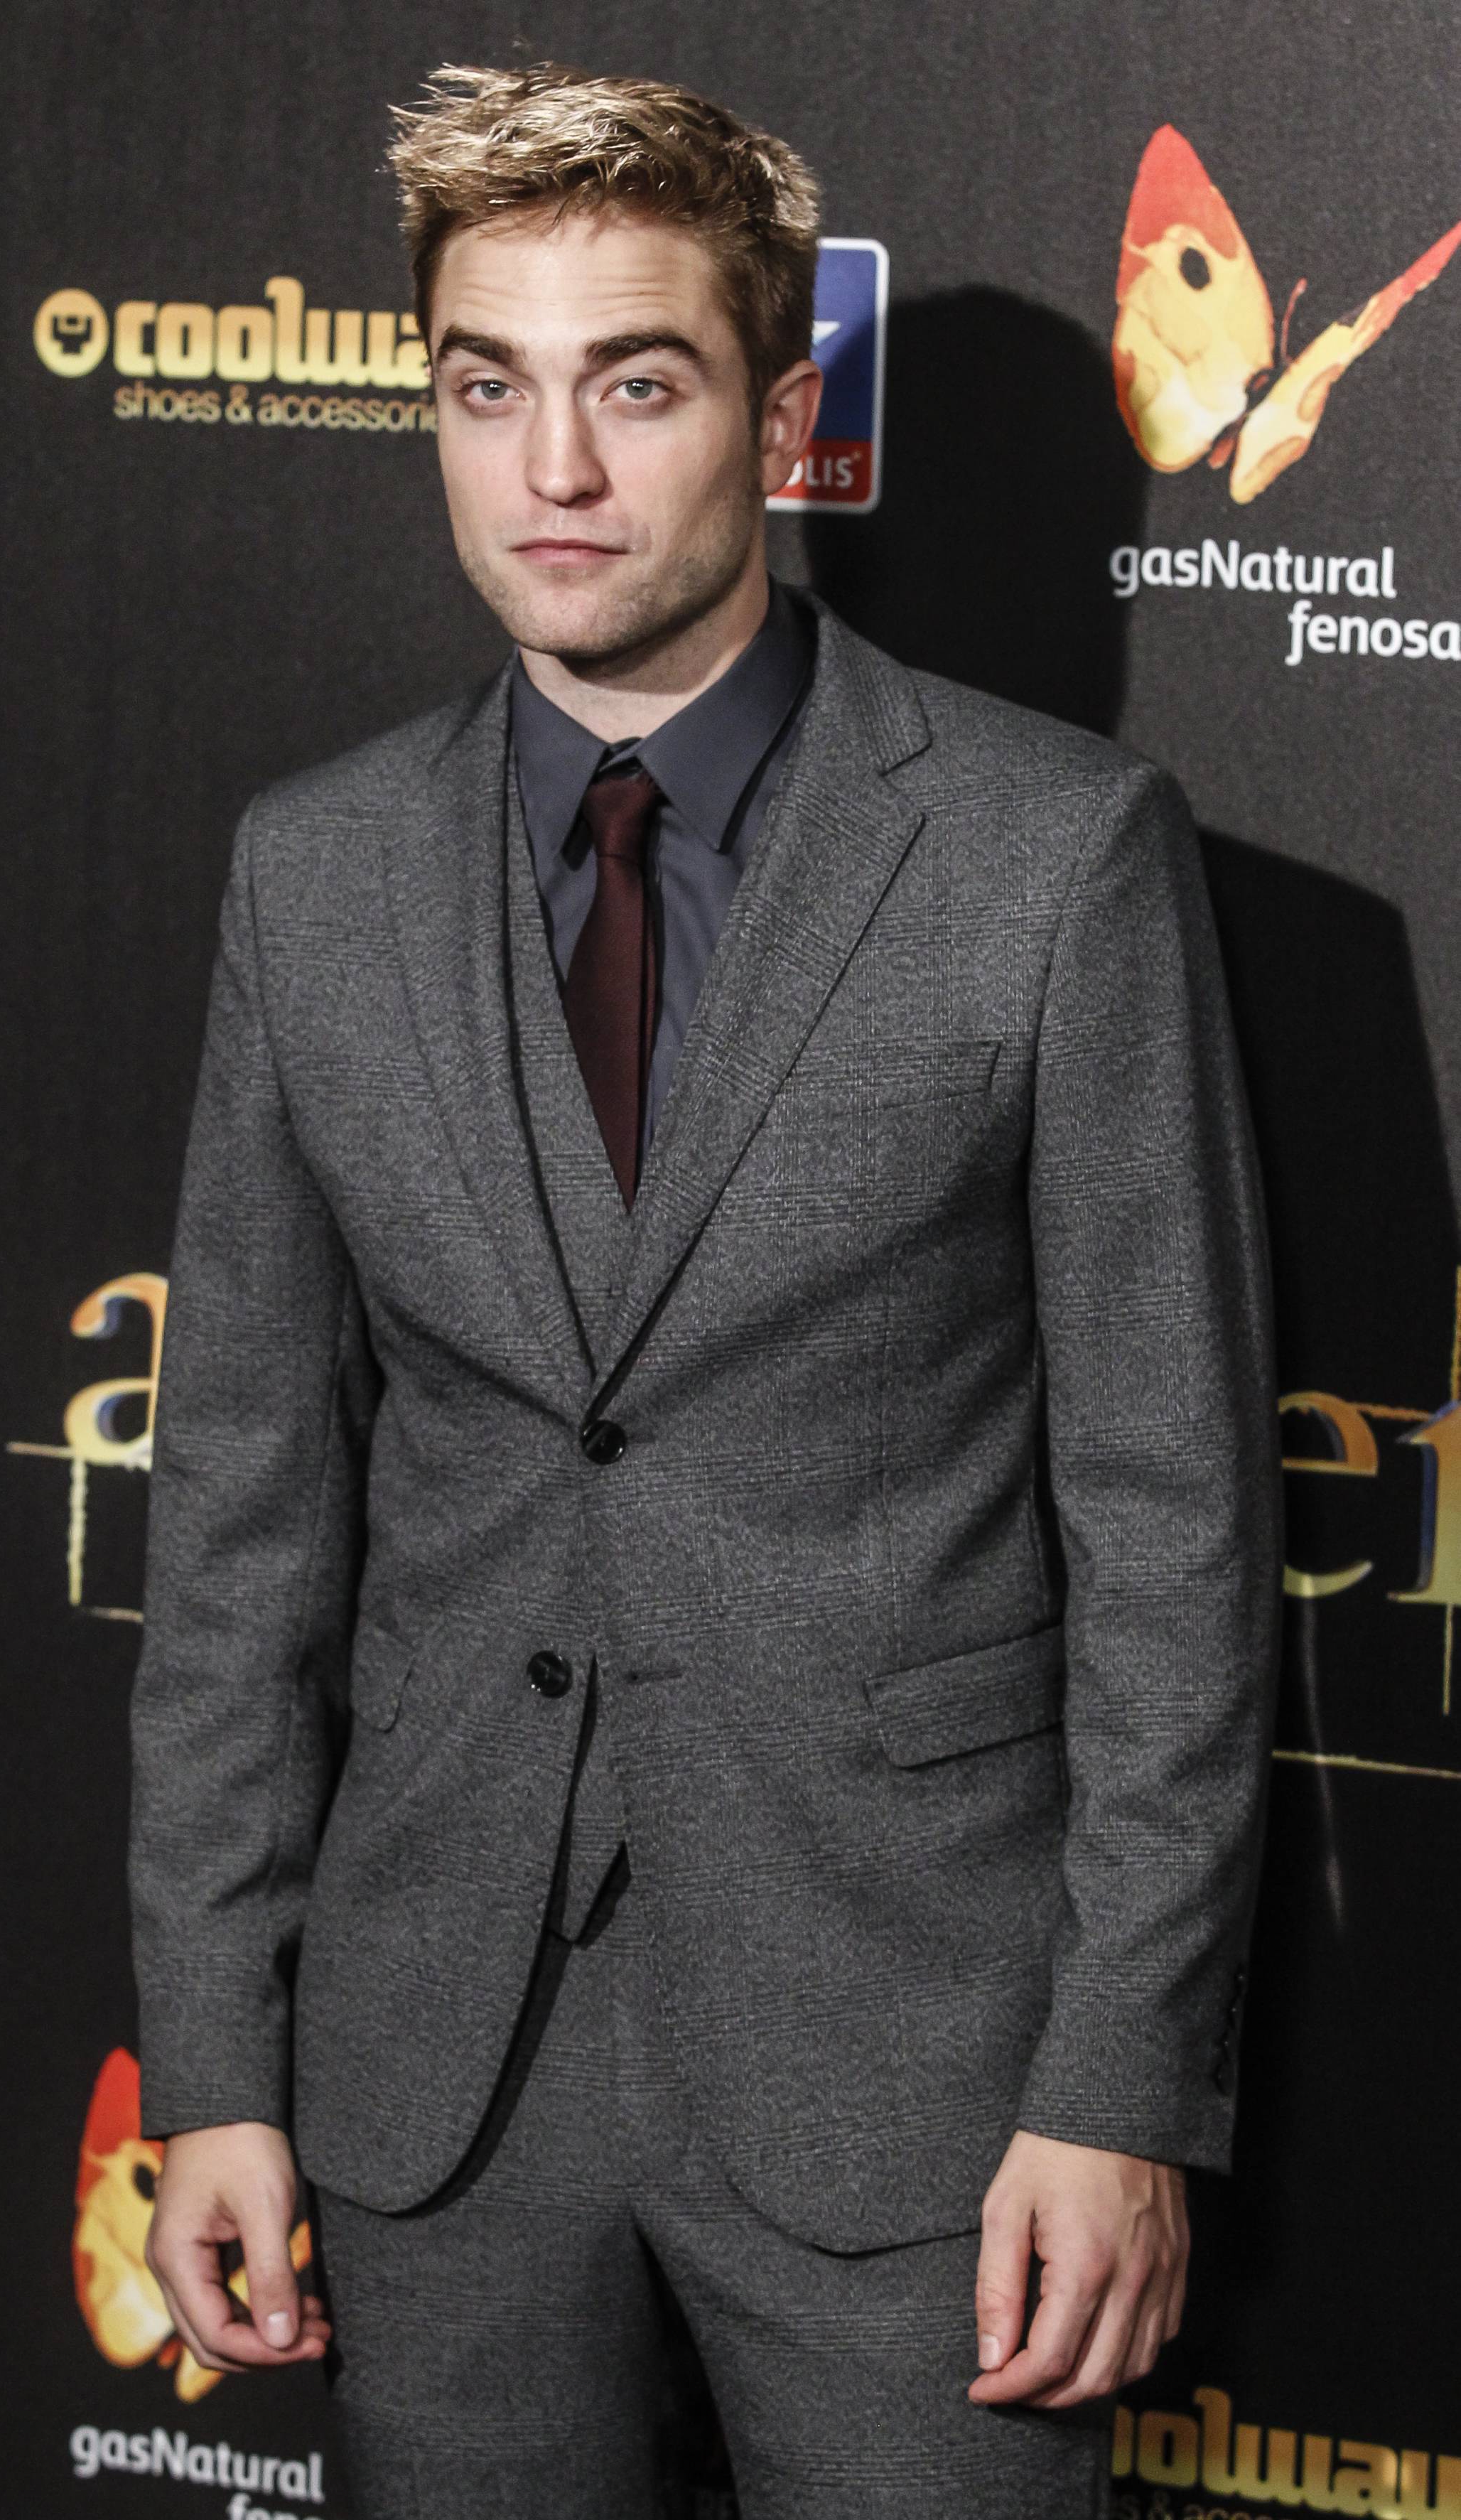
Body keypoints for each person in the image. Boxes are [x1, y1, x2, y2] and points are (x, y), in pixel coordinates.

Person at [129, 61, 1281, 2520]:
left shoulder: (1053, 857)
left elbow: (1175, 1527)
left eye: (634, 384)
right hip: (437, 2071)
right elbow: (237, 1528)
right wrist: (215, 2050)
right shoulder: (312, 876)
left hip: (929, 2071)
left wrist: (1120, 2075)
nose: (551, 468)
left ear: (775, 412)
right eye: (487, 386)